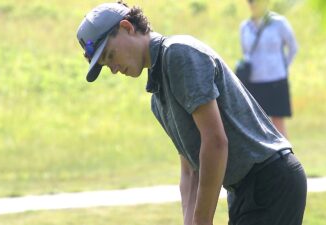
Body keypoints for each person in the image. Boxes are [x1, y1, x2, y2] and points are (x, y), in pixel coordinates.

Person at [76, 1, 306, 225]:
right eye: (106, 65)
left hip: (271, 181)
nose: (113, 69)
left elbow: (215, 142)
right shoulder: (158, 99)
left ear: (127, 27)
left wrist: (202, 219)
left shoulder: (178, 54)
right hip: (244, 191)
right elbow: (190, 173)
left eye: (110, 55)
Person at [239, 0, 298, 138]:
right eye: (250, 1)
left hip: (276, 79)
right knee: (256, 123)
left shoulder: (279, 23)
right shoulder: (245, 27)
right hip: (253, 81)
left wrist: (283, 67)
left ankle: (285, 157)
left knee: (278, 123)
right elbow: (245, 52)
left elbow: (293, 48)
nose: (253, 4)